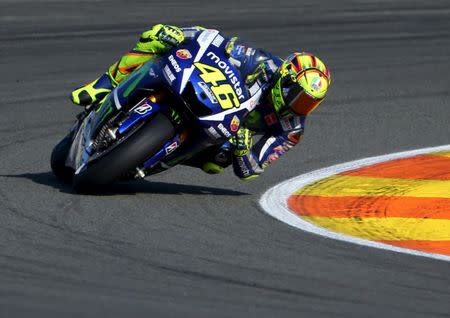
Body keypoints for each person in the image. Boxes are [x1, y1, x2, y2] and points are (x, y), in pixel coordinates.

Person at [71, 24, 331, 180]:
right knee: (156, 37)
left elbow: (252, 170)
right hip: (209, 92)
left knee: (216, 164)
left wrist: (242, 149)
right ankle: (101, 86)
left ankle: (150, 159)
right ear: (285, 80)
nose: (300, 105)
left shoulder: (292, 129)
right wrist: (180, 35)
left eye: (309, 102)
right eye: (298, 95)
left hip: (226, 131)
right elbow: (217, 43)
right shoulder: (263, 63)